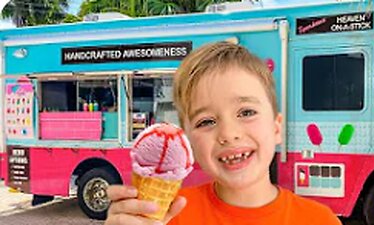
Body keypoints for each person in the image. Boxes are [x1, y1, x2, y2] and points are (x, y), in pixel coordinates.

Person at [105, 42, 342, 225]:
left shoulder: (321, 220)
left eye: (246, 112)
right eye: (206, 121)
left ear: (276, 127)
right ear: (189, 143)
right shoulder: (169, 215)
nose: (228, 134)